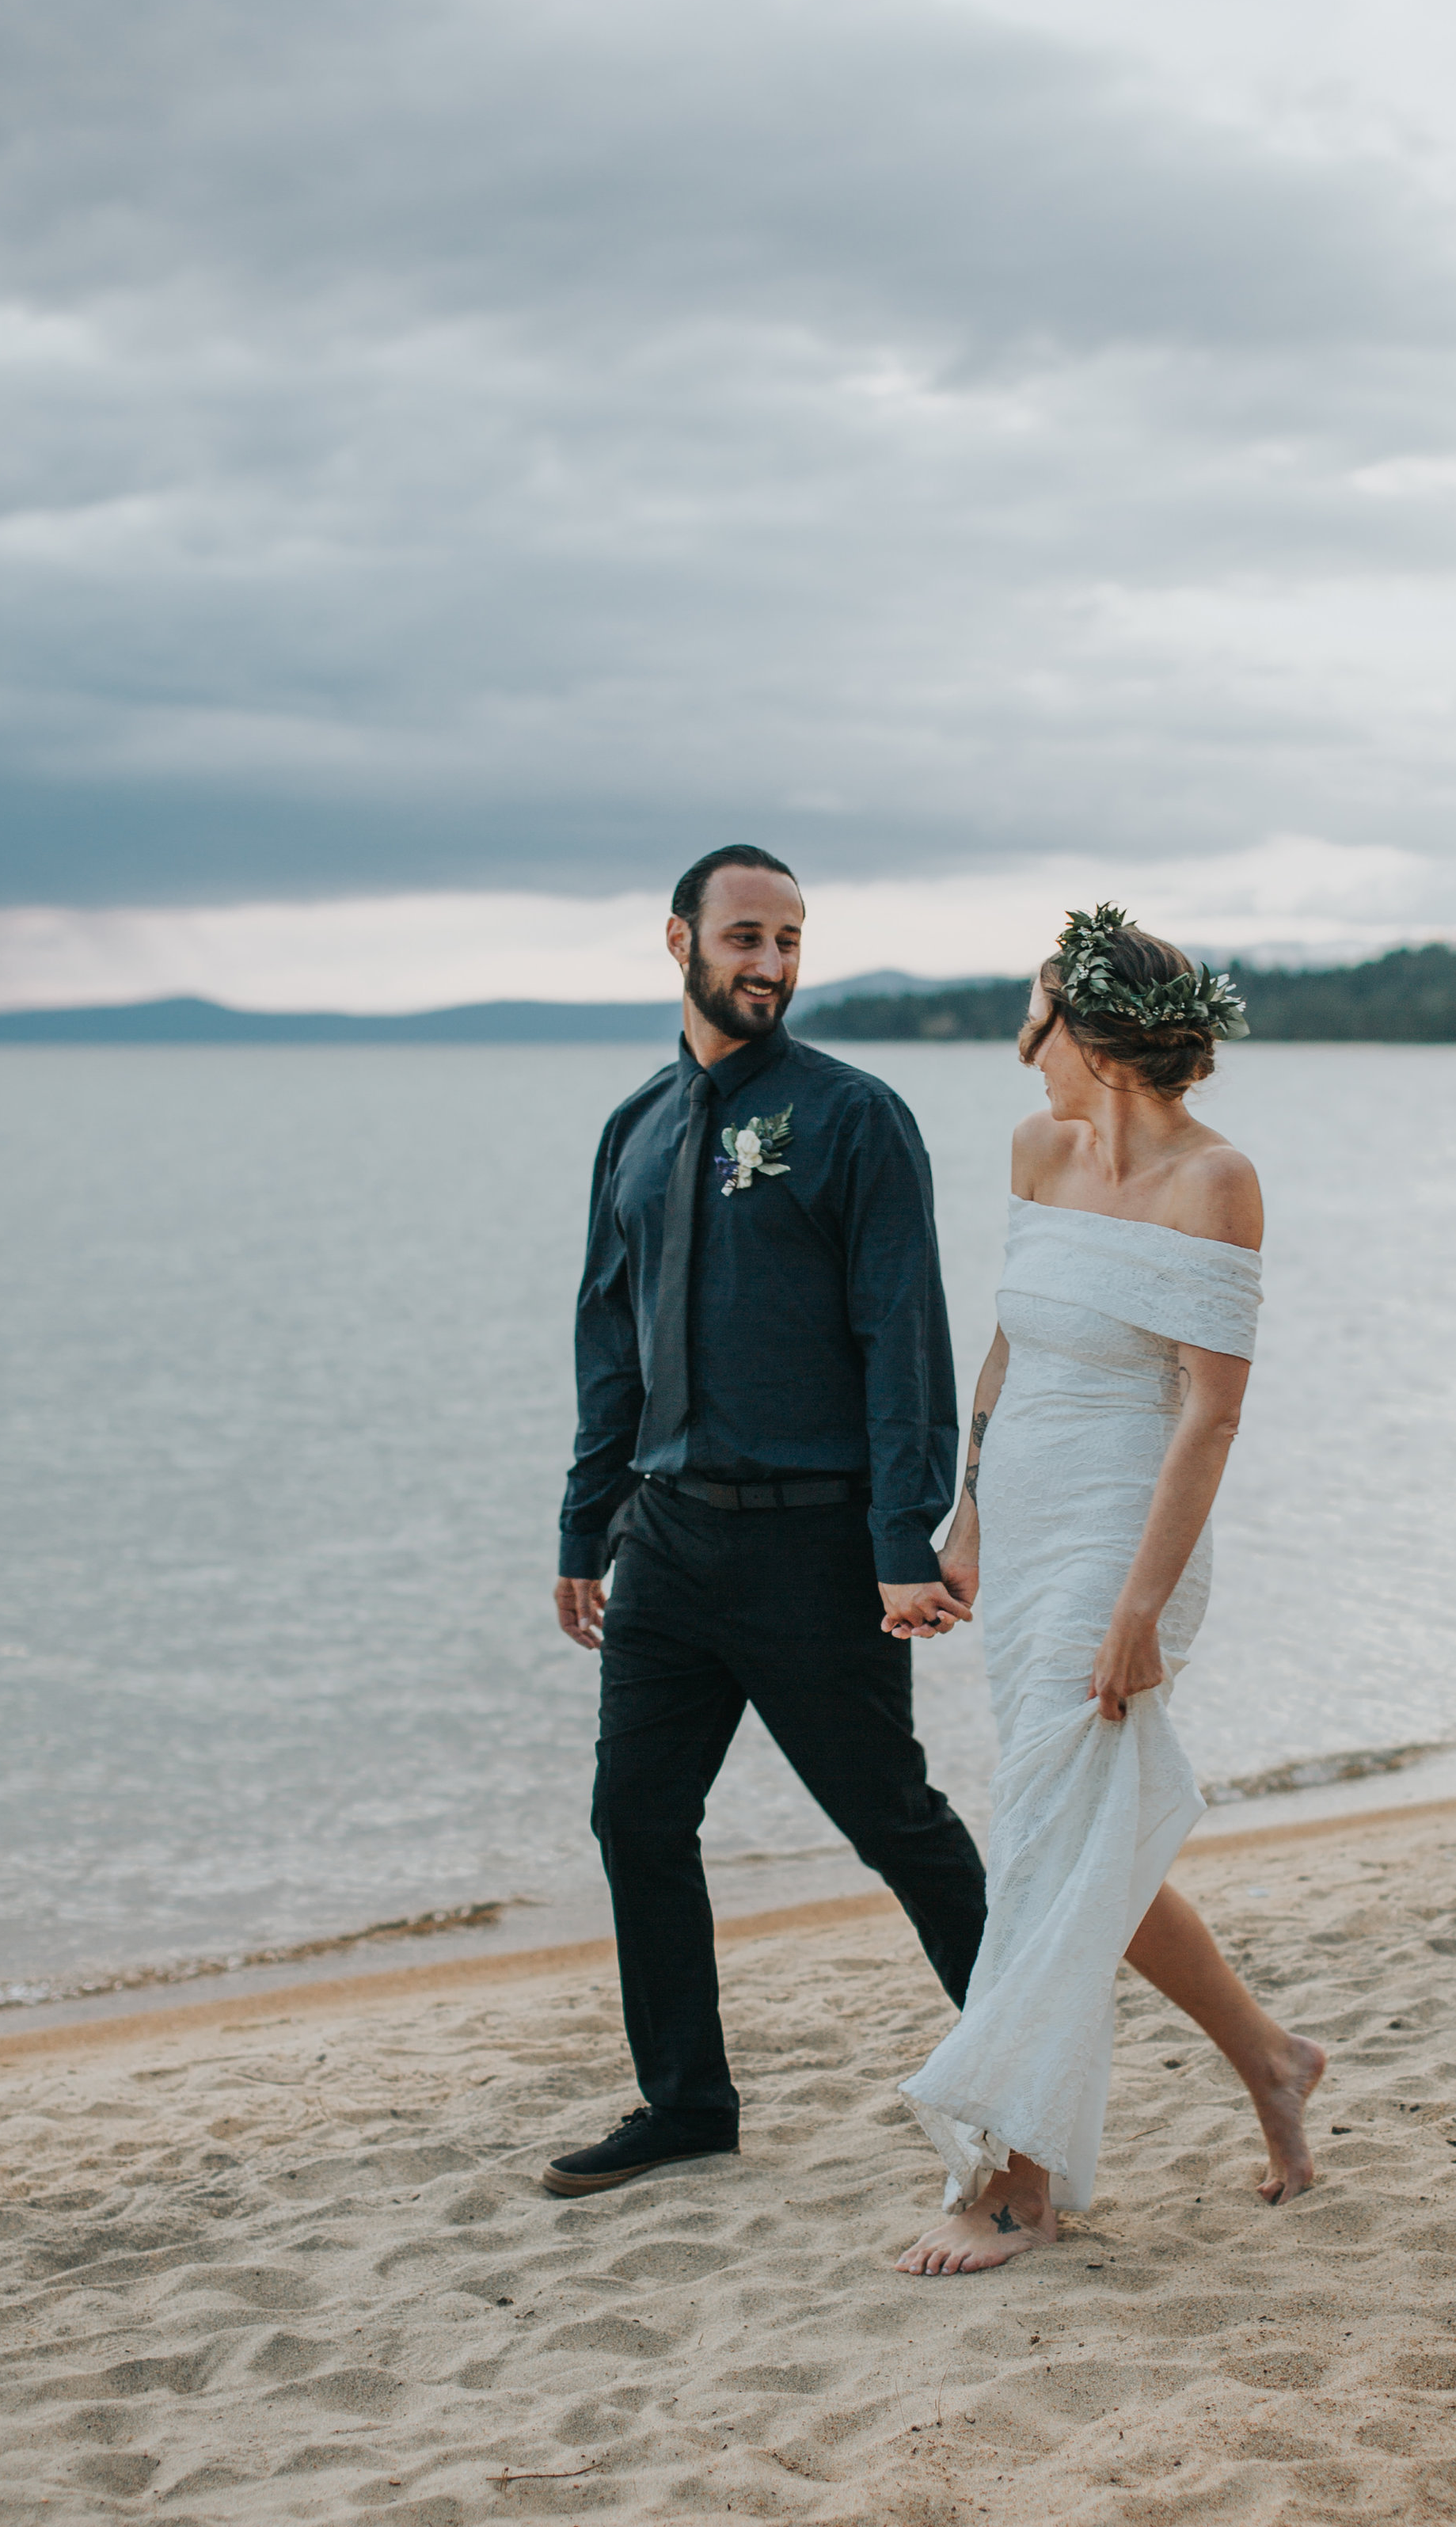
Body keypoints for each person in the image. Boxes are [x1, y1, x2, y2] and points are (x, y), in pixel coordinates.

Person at [543, 843, 987, 2197]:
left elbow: (903, 1337)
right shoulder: (636, 1126)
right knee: (636, 1817)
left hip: (815, 1545)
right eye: (746, 936)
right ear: (677, 939)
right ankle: (685, 2102)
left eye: (790, 940)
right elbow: (606, 1340)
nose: (772, 964)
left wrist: (903, 1545)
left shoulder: (855, 1117)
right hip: (666, 1542)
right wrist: (584, 1523)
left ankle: (1026, 2049)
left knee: (893, 1820)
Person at [895, 906, 1325, 2275]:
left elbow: (1208, 1415)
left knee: (1043, 1837)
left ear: (1087, 1032)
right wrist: (965, 1515)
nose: (1021, 1047)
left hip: (1130, 1531)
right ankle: (1271, 2058)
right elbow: (1010, 1343)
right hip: (1024, 1522)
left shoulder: (1218, 1181)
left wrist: (1140, 1605)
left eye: (1034, 1018)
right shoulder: (1036, 1150)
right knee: (1079, 1835)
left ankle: (1015, 2181)